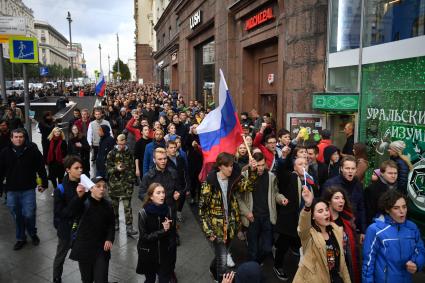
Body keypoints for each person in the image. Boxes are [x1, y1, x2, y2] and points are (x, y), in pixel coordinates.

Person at [199, 152, 255, 282]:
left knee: (221, 255)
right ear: (220, 166)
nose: (231, 168)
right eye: (228, 166)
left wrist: (252, 170)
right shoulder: (210, 183)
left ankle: (212, 270)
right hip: (216, 229)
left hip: (231, 227)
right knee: (223, 262)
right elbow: (202, 209)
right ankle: (220, 279)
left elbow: (249, 186)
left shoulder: (234, 179)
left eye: (232, 165)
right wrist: (208, 231)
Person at [0, 128, 48, 250]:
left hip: (28, 189)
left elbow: (41, 167)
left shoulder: (32, 150)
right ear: (11, 138)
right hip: (11, 190)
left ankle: (32, 233)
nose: (18, 139)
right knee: (17, 215)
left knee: (29, 214)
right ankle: (21, 238)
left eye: (20, 136)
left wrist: (44, 183)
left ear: (24, 137)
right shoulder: (5, 152)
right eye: (15, 137)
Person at [362, 190, 425, 283]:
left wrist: (416, 263)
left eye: (404, 207)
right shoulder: (375, 229)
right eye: (396, 208)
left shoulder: (412, 227)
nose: (402, 211)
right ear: (387, 209)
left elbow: (421, 250)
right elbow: (368, 263)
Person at [293, 185, 351, 283]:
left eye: (326, 210)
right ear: (313, 217)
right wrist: (307, 206)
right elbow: (303, 226)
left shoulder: (336, 230)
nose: (326, 213)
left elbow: (342, 263)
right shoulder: (308, 235)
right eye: (320, 211)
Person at [237, 152, 287, 264]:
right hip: (252, 218)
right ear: (253, 164)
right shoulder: (245, 175)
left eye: (262, 165)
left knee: (267, 248)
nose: (260, 168)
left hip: (267, 217)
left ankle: (257, 262)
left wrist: (281, 199)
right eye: (258, 165)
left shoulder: (271, 177)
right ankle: (252, 269)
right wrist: (246, 213)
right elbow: (238, 197)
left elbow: (275, 193)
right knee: (252, 249)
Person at [274, 157, 318, 281]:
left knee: (303, 244)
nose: (304, 166)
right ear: (294, 167)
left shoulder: (310, 180)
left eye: (306, 163)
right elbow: (281, 171)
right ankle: (278, 265)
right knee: (283, 244)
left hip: (305, 218)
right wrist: (284, 157)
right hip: (289, 219)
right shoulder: (290, 177)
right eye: (300, 164)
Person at [69, 176, 115, 283]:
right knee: (87, 279)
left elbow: (111, 225)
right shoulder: (84, 202)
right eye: (98, 186)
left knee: (101, 279)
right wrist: (78, 197)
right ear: (91, 188)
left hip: (101, 249)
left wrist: (109, 239)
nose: (102, 189)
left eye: (104, 186)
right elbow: (72, 211)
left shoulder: (108, 205)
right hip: (84, 248)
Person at [136, 183, 177, 283]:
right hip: (149, 254)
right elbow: (144, 237)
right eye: (158, 193)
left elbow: (172, 233)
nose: (162, 195)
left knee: (164, 279)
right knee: (150, 279)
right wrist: (163, 230)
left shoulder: (169, 210)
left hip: (164, 254)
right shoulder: (143, 213)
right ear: (151, 196)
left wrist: (171, 247)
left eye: (163, 192)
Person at [52, 155, 83, 283]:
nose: (80, 170)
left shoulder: (84, 183)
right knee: (60, 256)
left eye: (81, 167)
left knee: (83, 257)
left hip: (82, 227)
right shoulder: (60, 189)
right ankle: (56, 277)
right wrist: (78, 197)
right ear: (68, 170)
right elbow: (61, 213)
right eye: (76, 168)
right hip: (66, 229)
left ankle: (86, 278)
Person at [323, 186, 360, 283]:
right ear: (329, 201)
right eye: (337, 198)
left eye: (343, 198)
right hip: (329, 265)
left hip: (347, 263)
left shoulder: (348, 220)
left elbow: (354, 246)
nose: (341, 201)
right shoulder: (323, 222)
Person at [323, 156, 367, 240]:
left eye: (353, 168)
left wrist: (363, 230)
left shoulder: (358, 185)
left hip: (353, 226)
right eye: (347, 168)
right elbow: (324, 205)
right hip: (335, 225)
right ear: (341, 169)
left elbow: (361, 208)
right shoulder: (330, 184)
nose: (350, 171)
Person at [106, 134, 138, 236]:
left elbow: (132, 167)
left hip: (126, 184)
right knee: (114, 206)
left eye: (123, 144)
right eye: (120, 144)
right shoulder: (111, 154)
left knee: (127, 207)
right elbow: (107, 168)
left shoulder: (129, 153)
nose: (122, 146)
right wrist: (116, 168)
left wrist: (132, 180)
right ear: (117, 142)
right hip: (114, 185)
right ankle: (115, 223)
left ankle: (129, 227)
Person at [364, 160, 398, 225]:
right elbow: (369, 213)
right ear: (382, 173)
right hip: (379, 226)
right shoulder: (372, 189)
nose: (393, 176)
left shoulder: (399, 188)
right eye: (390, 173)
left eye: (395, 173)